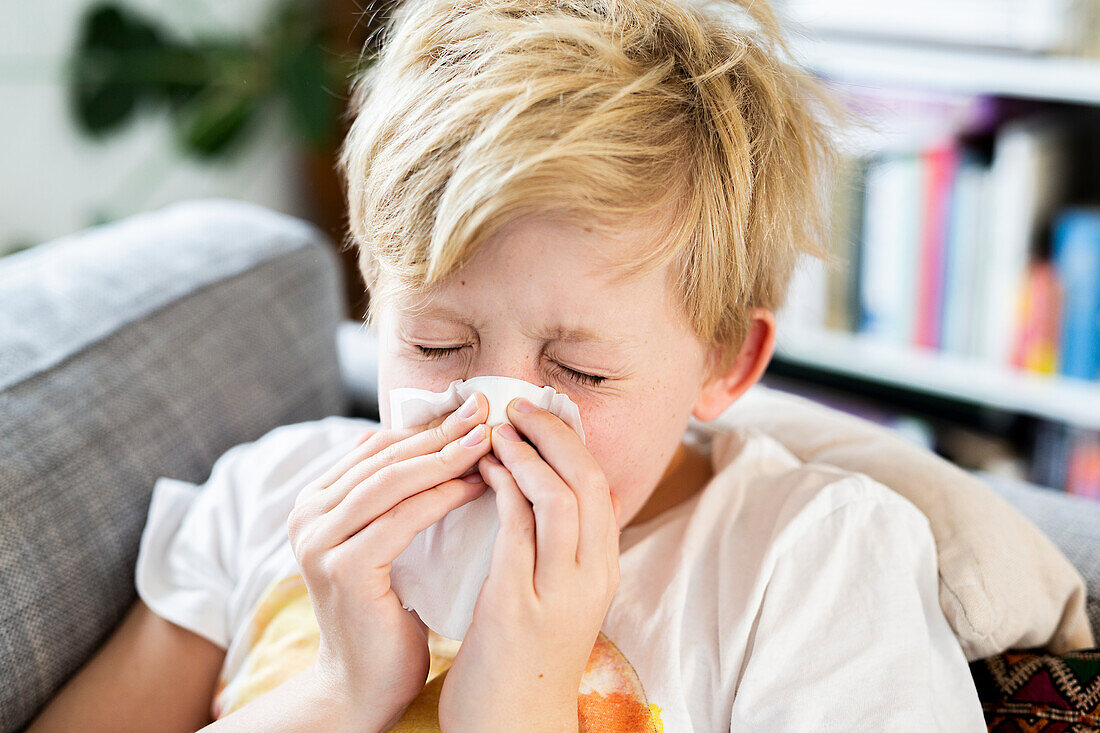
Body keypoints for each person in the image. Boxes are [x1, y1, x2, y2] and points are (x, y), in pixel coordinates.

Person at [26, 0, 988, 730]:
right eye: (436, 344)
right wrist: (342, 685)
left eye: (580, 368)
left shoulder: (807, 561)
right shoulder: (269, 501)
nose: (492, 413)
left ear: (725, 360)